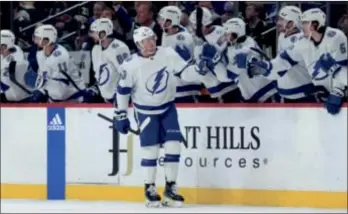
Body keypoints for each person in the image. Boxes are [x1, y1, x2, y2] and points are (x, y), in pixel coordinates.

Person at [114, 26, 190, 207]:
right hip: (145, 111)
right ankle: (149, 188)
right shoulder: (130, 64)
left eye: (152, 38)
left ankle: (171, 188)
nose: (150, 42)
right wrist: (120, 114)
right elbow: (123, 90)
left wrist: (199, 70)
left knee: (173, 145)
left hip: (168, 107)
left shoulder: (168, 54)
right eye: (145, 40)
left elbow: (185, 73)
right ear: (138, 44)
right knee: (151, 149)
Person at [238, 8, 347, 114]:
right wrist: (266, 67)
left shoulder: (331, 38)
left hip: (320, 95)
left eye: (305, 23)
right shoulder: (293, 40)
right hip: (304, 95)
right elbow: (283, 61)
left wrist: (338, 91)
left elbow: (344, 68)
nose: (301, 25)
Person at [262, 6, 316, 103]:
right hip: (286, 94)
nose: (277, 23)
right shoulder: (282, 36)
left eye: (281, 20)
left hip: (303, 95)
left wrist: (266, 69)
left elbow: (283, 64)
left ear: (291, 23)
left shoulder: (302, 40)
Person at [189, 7, 240, 102]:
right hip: (211, 87)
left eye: (195, 25)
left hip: (229, 85)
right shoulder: (196, 40)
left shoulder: (224, 33)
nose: (193, 28)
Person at [223, 18, 276, 102]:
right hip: (250, 90)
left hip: (264, 90)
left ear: (236, 34)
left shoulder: (247, 47)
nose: (226, 37)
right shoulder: (239, 43)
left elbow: (232, 74)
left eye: (228, 34)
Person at [30, 24, 86, 102]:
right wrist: (41, 90)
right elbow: (43, 74)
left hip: (72, 97)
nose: (34, 41)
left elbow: (62, 87)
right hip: (55, 98)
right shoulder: (40, 53)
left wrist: (43, 91)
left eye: (37, 38)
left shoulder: (61, 57)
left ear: (46, 40)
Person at [158, 5, 201, 103]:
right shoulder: (169, 32)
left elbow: (183, 66)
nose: (159, 21)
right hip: (175, 87)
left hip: (185, 88)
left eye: (162, 19)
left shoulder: (182, 40)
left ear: (169, 21)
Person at [87, 18, 130, 103]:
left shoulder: (119, 48)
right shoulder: (96, 48)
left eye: (94, 32)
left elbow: (127, 74)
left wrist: (122, 95)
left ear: (102, 34)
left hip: (118, 97)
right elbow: (98, 74)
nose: (92, 35)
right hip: (104, 96)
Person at [0, 30, 33, 102]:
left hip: (22, 97)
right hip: (11, 95)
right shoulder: (15, 48)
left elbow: (5, 85)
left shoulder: (15, 60)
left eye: (2, 46)